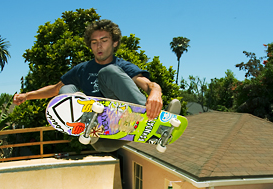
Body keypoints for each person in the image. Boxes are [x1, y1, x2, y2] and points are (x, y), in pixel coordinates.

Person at [13, 19, 180, 152]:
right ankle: (86, 124)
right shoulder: (82, 69)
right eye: (94, 42)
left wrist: (156, 91)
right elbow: (55, 89)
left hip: (124, 123)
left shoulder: (123, 66)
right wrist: (27, 95)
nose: (98, 46)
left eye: (104, 40)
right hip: (99, 136)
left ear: (114, 43)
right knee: (65, 90)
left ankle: (150, 119)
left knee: (109, 72)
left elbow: (146, 83)